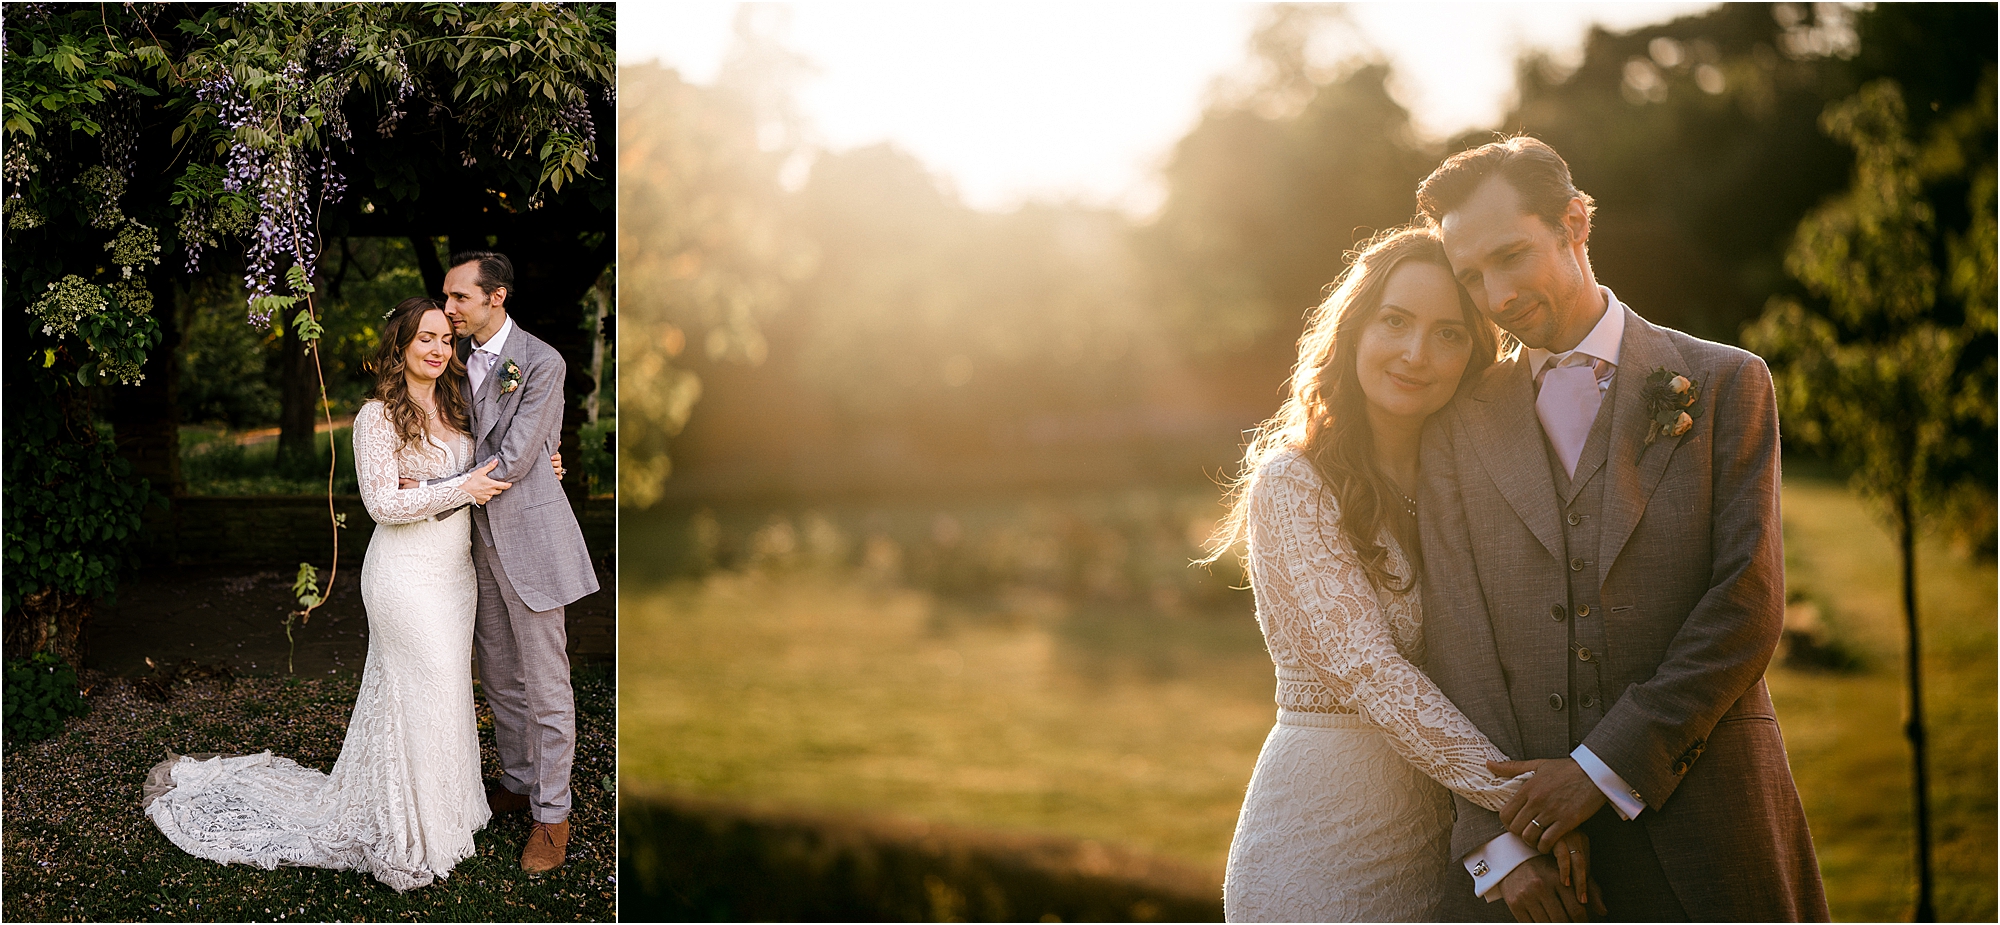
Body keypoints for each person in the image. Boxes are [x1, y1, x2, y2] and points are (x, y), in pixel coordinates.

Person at [1413, 136, 1828, 921]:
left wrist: (1599, 767)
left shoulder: (1725, 382)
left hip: (1710, 825)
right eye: (1471, 276)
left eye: (1510, 256)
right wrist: (1501, 843)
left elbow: (1746, 607)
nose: (1495, 297)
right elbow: (1455, 643)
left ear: (1574, 223)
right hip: (1533, 860)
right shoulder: (1454, 429)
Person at [1213, 227, 1599, 922]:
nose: (1416, 354)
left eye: (1449, 334)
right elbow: (1371, 672)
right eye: (1395, 322)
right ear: (1356, 329)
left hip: (1439, 858)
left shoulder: (1467, 481)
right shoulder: (1293, 482)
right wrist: (1530, 801)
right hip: (1318, 853)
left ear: (1473, 354)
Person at [144, 297, 514, 891]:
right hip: (403, 575)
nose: (439, 349)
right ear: (400, 347)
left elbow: (487, 469)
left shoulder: (460, 406)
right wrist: (460, 488)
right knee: (413, 691)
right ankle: (409, 831)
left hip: (455, 576)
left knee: (445, 690)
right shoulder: (376, 419)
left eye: (446, 338)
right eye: (426, 338)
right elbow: (383, 505)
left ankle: (452, 813)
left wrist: (535, 465)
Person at [437, 250, 600, 874]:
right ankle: (518, 779)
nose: (449, 309)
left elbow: (518, 455)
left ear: (496, 297)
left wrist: (427, 487)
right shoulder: (448, 360)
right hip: (471, 545)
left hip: (530, 540)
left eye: (460, 299)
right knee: (500, 675)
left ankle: (552, 816)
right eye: (447, 299)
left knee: (547, 686)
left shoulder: (540, 361)